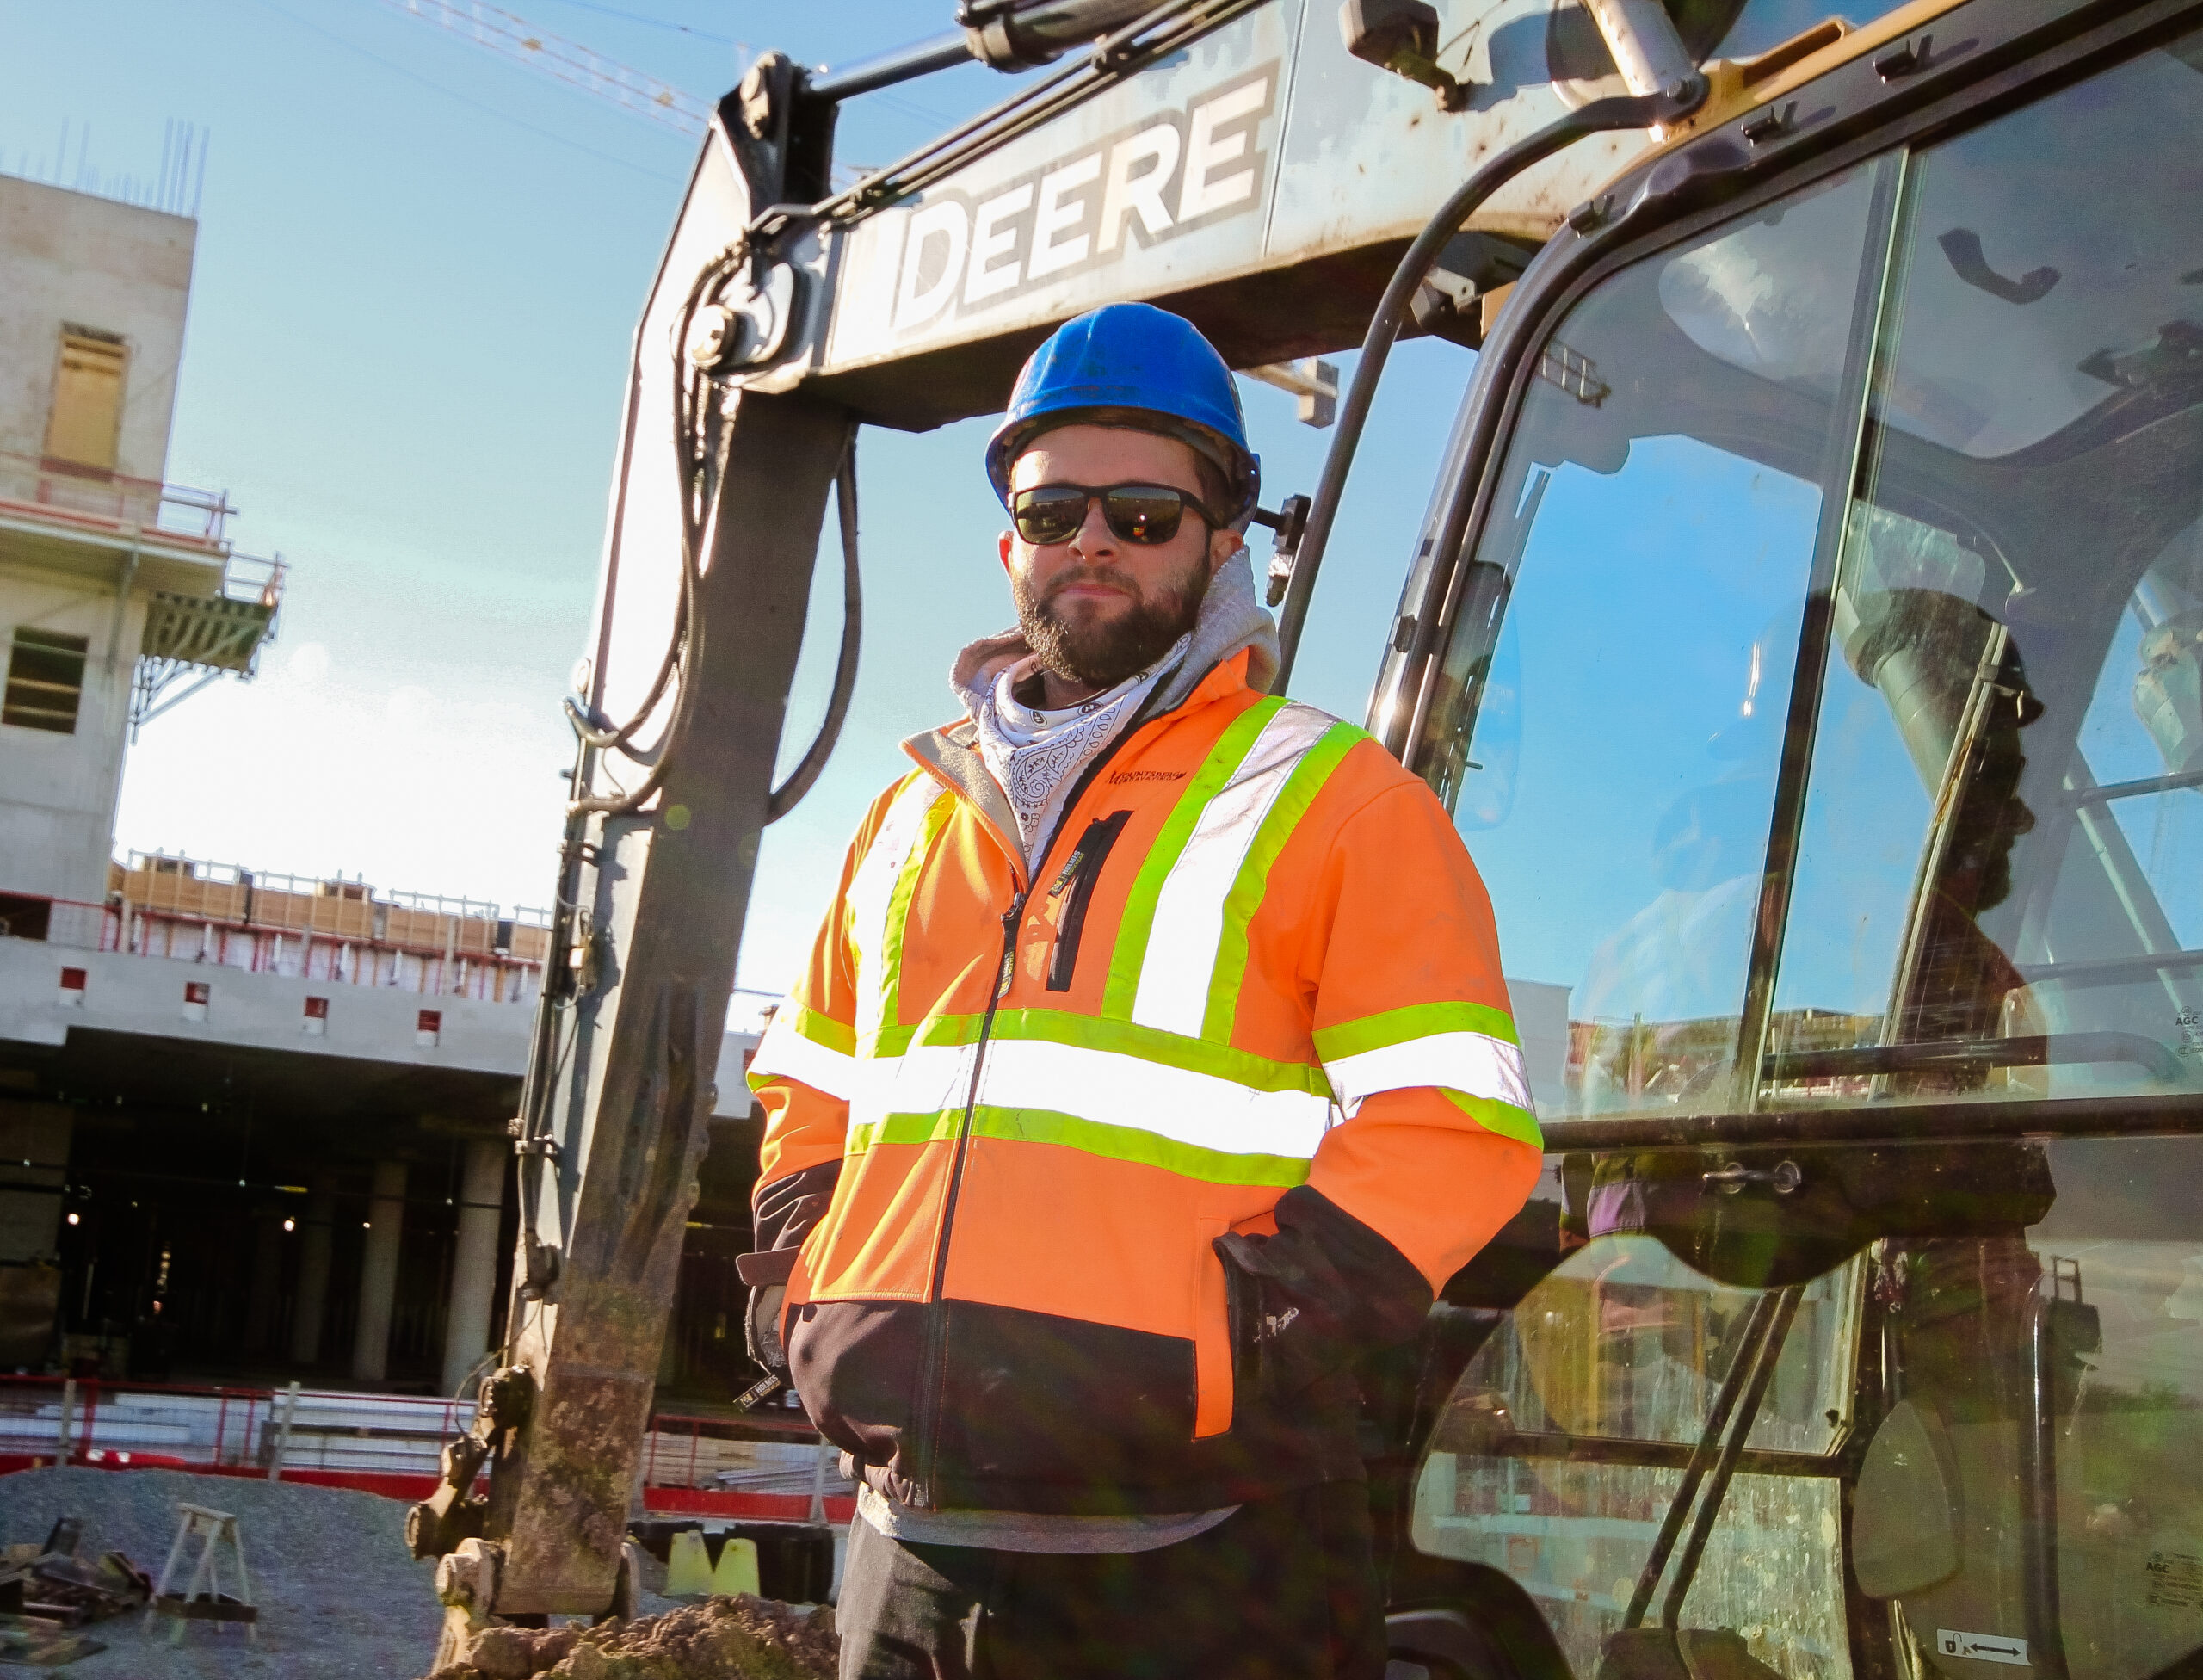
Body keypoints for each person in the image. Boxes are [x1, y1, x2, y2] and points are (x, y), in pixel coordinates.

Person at [741, 303, 1541, 1680]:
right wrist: (801, 1291)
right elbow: (809, 1090)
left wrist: (1253, 1339)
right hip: (912, 1546)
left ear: (1225, 539)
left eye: (1142, 512)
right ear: (1011, 549)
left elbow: (1454, 1123)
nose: (1091, 543)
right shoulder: (903, 822)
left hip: (1209, 1555)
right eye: (1055, 513)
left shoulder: (1338, 802)